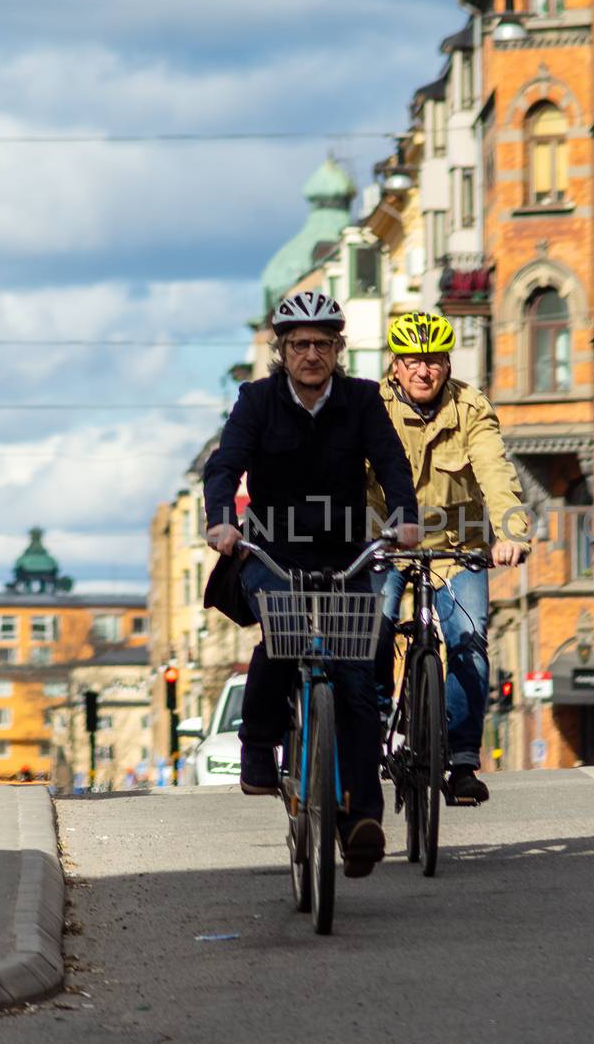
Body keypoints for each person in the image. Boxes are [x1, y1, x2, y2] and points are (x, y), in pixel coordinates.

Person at [202, 290, 421, 878]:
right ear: (281, 350)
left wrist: (403, 515)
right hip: (270, 548)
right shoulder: (257, 400)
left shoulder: (362, 400)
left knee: (354, 673)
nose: (311, 354)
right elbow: (225, 464)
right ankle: (258, 743)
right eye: (299, 344)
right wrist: (221, 518)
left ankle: (361, 821)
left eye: (323, 344)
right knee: (284, 633)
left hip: (344, 551)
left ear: (338, 349)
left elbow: (392, 462)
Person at [369, 312, 529, 806]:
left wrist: (510, 532)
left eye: (434, 360)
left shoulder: (470, 406)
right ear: (395, 366)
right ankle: (371, 725)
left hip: (456, 547)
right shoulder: (370, 407)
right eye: (413, 360)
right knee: (370, 624)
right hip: (384, 543)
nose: (424, 370)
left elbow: (494, 471)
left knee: (468, 639)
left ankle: (461, 761)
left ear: (447, 364)